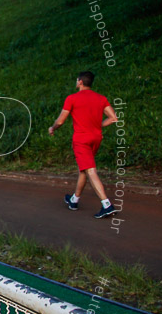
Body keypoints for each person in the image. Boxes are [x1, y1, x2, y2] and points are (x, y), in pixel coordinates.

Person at [49, 70, 119, 218]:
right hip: (96, 138)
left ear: (80, 82)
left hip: (81, 140)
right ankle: (74, 200)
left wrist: (52, 128)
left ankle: (106, 204)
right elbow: (113, 118)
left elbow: (60, 120)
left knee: (90, 170)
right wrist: (99, 125)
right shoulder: (101, 98)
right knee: (85, 168)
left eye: (76, 80)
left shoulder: (72, 98)